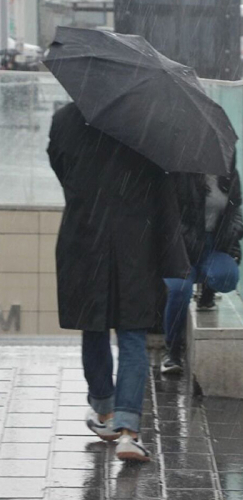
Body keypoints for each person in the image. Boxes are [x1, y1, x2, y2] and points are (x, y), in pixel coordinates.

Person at [47, 103, 189, 462]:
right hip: (134, 244)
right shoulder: (145, 122)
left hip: (85, 238)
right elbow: (161, 185)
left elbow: (61, 169)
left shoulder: (65, 119)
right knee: (132, 334)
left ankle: (105, 411)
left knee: (93, 326)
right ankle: (128, 431)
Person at [161, 170, 243, 374]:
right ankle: (172, 350)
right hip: (180, 247)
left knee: (227, 277)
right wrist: (187, 239)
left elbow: (235, 211)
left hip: (212, 246)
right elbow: (168, 215)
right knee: (180, 290)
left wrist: (233, 232)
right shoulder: (180, 173)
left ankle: (208, 290)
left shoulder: (228, 175)